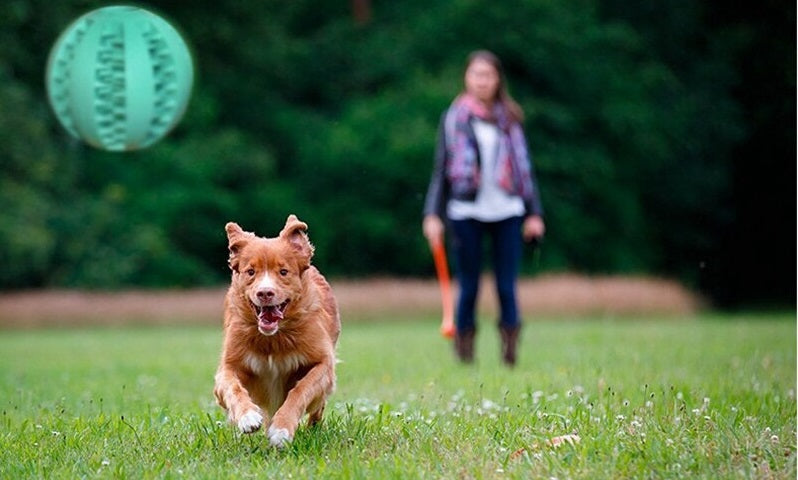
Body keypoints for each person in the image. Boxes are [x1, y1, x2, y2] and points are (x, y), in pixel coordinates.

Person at [422, 50, 545, 366]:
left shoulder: (510, 118)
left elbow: (524, 168)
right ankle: (464, 353)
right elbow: (441, 169)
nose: (482, 81)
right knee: (470, 285)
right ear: (467, 77)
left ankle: (510, 351)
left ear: (497, 80)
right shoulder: (454, 118)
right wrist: (432, 214)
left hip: (508, 209)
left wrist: (534, 213)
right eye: (476, 74)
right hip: (466, 211)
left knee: (506, 285)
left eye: (488, 75)